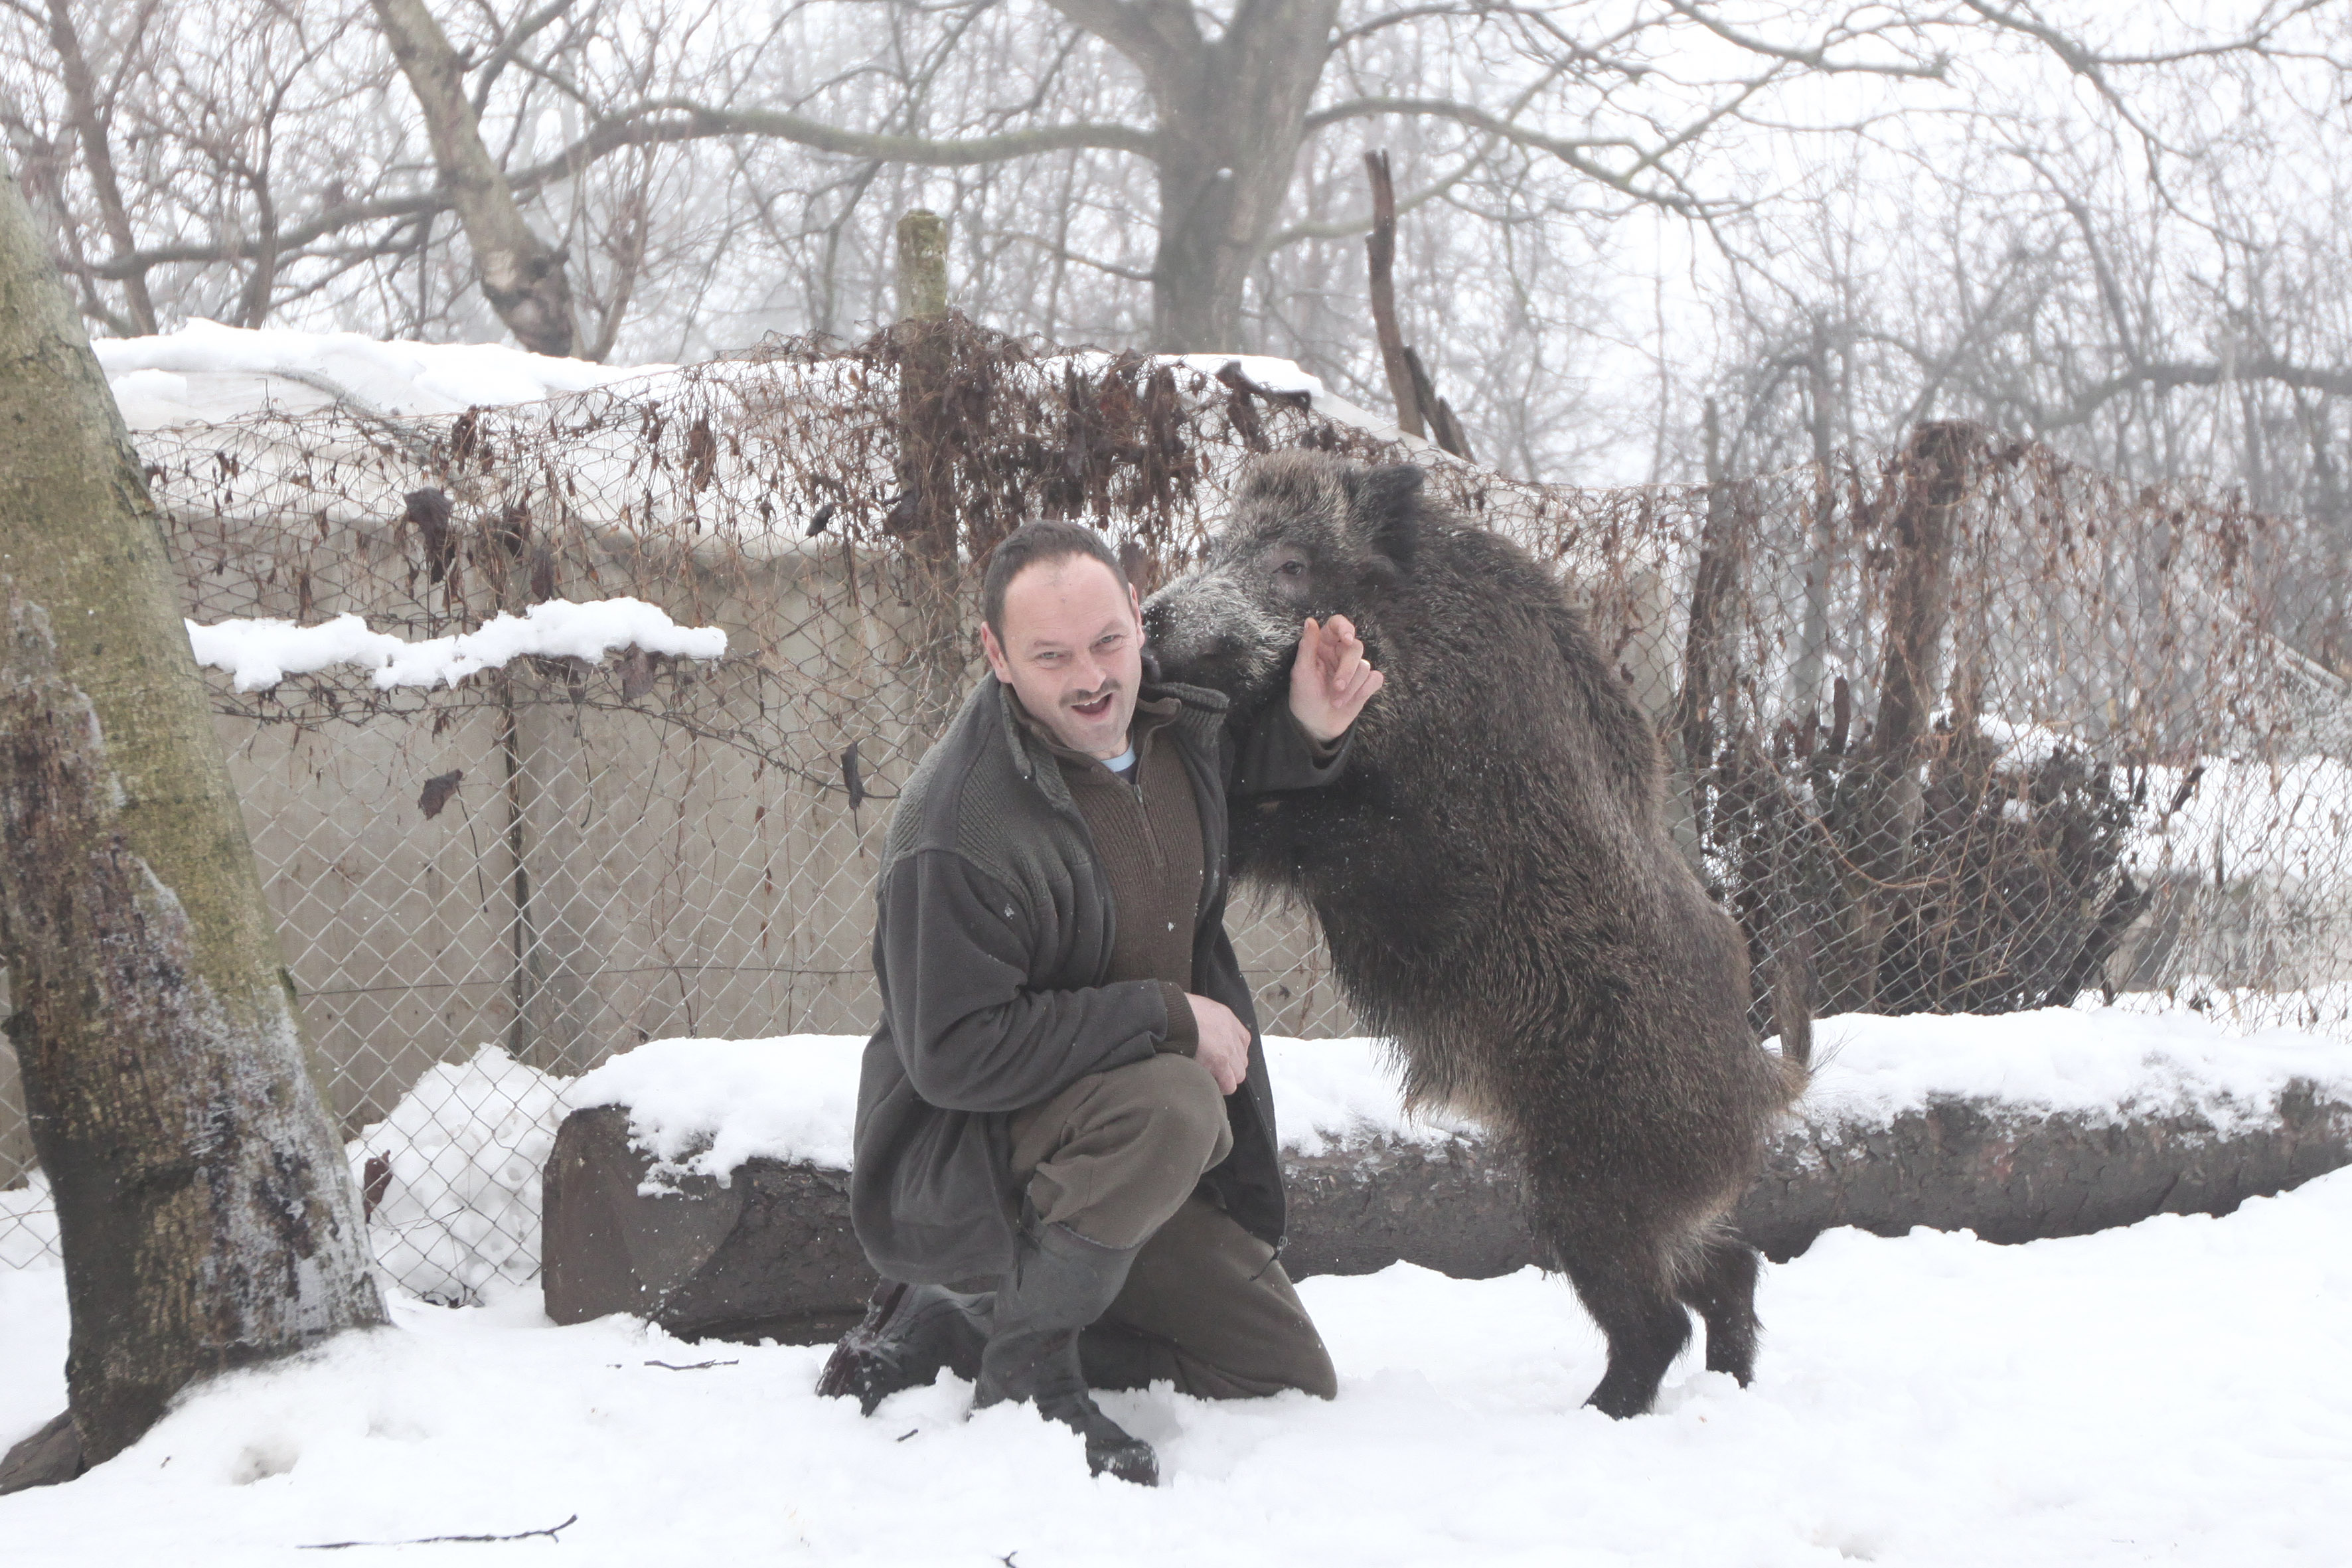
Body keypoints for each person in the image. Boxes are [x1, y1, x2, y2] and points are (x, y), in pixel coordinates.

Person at [817, 519, 1383, 1486]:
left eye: (1108, 641)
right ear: (997, 656)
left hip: (1114, 1157)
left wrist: (1311, 729)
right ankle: (1028, 1367)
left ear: (1137, 616)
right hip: (973, 1157)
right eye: (1052, 655)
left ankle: (965, 1317)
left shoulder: (1172, 718)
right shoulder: (956, 831)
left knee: (1280, 1372)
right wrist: (1168, 1014)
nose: (1092, 677)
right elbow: (954, 1054)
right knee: (1175, 1096)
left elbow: (1208, 797)